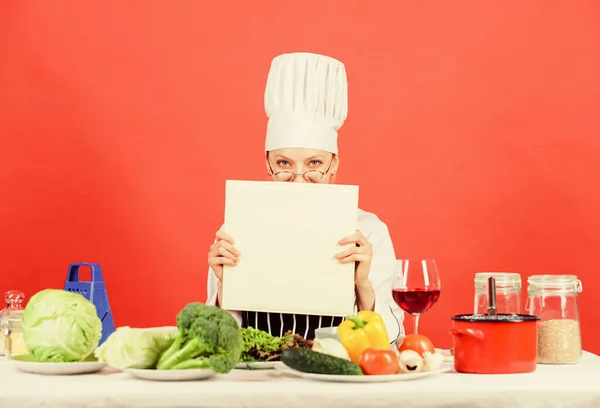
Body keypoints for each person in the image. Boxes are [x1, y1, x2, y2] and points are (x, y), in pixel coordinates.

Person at [206, 52, 404, 344]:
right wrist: (226, 285)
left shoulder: (368, 231)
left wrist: (362, 283)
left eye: (314, 164)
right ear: (268, 164)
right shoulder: (239, 226)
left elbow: (389, 341)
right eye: (284, 163)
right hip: (258, 378)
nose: (299, 178)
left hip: (337, 376)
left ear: (334, 164)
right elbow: (217, 341)